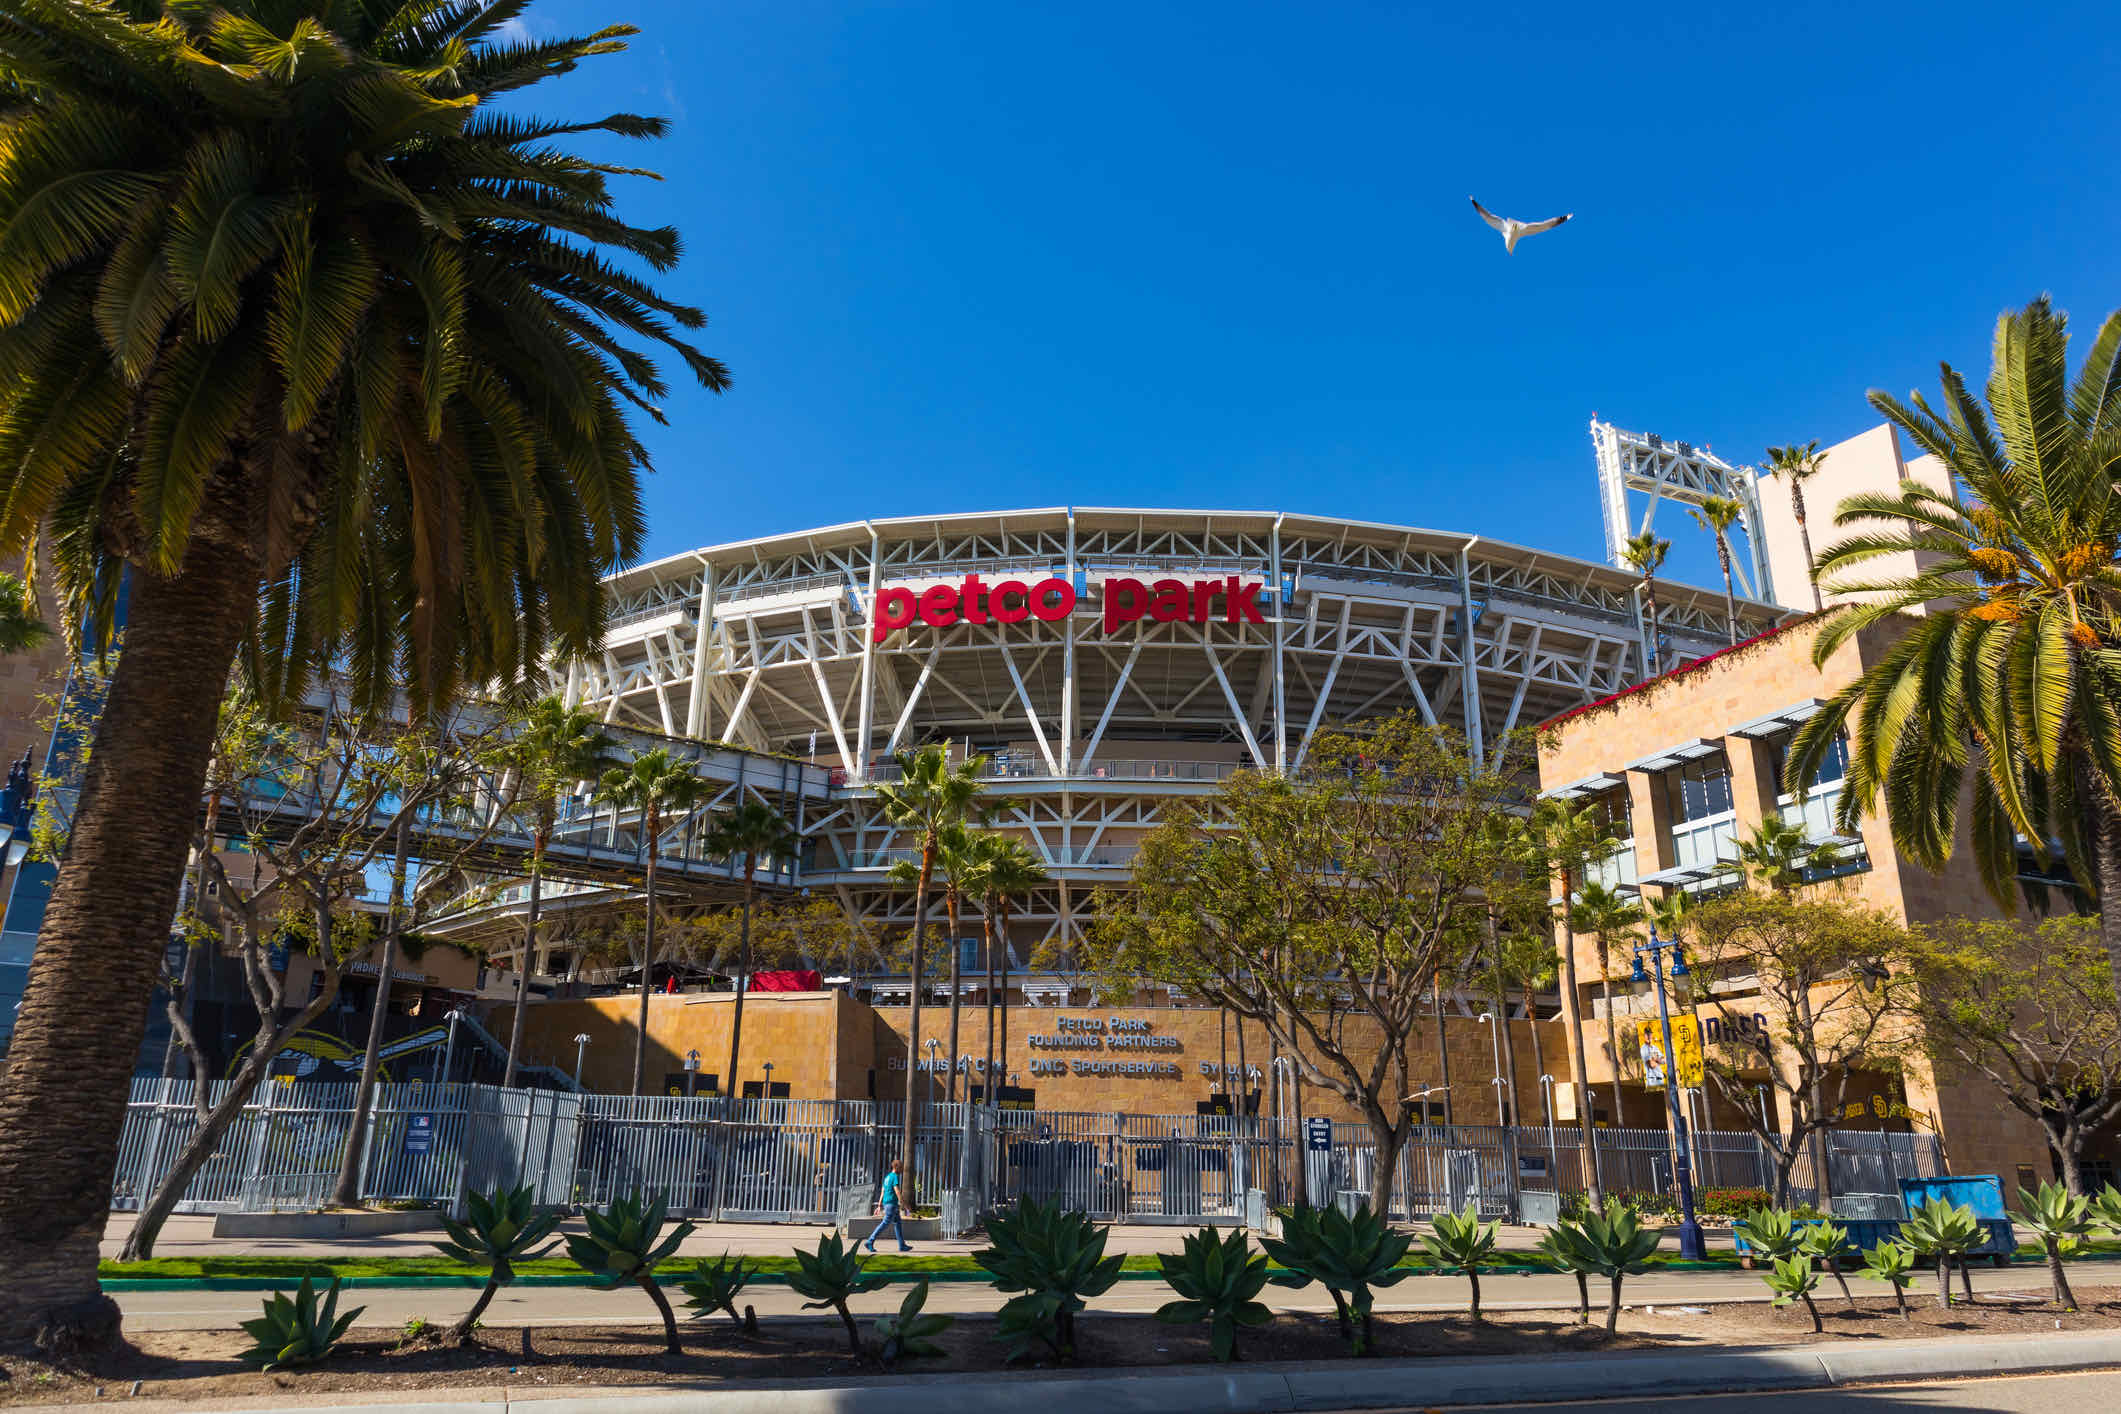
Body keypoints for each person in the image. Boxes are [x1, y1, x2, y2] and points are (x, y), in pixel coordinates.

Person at [865, 1159, 912, 1253]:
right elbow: (897, 1191)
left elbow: (883, 1191)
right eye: (901, 1167)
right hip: (891, 1204)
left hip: (888, 1203)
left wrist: (879, 1204)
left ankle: (902, 1245)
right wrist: (905, 1205)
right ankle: (870, 1241)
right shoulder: (894, 1177)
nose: (902, 1170)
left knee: (897, 1224)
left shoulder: (887, 1177)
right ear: (897, 1167)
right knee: (885, 1223)